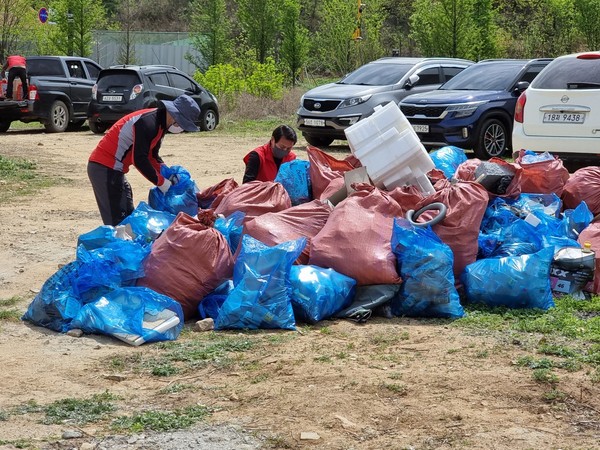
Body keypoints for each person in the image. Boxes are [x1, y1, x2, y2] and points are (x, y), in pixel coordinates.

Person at [87, 94, 201, 226]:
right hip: (104, 167)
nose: (181, 127)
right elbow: (139, 159)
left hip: (114, 169)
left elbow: (152, 155)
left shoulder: (160, 125)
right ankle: (116, 246)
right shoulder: (148, 122)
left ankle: (125, 243)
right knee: (118, 222)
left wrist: (167, 173)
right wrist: (162, 182)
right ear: (174, 115)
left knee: (128, 214)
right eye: (182, 123)